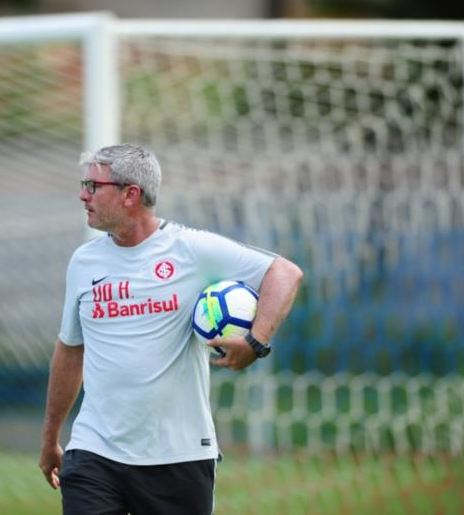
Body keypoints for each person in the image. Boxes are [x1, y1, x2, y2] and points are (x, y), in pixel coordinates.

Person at [38, 144, 303, 515]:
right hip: (94, 452)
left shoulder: (191, 249)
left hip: (180, 457)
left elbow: (284, 273)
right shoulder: (84, 261)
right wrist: (51, 437)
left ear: (131, 194)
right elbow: (70, 349)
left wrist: (255, 341)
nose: (83, 194)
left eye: (93, 185)